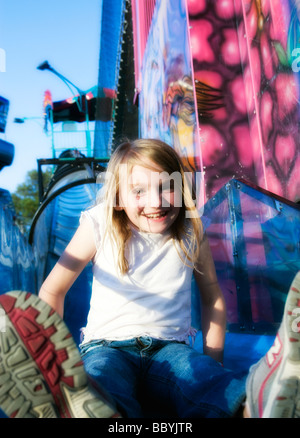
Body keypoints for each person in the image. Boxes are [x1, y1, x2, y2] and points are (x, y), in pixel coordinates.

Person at [0, 138, 299, 418]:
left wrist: (213, 363)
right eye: (139, 191)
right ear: (118, 197)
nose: (155, 201)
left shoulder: (191, 230)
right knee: (103, 378)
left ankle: (255, 406)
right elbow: (54, 289)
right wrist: (49, 354)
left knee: (201, 378)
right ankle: (84, 405)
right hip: (108, 344)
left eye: (166, 186)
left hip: (170, 347)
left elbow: (213, 298)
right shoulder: (100, 224)